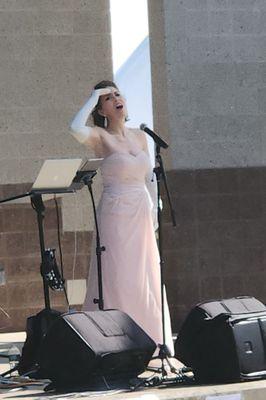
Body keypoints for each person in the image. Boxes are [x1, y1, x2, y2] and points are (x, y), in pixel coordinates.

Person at [70, 80, 174, 355]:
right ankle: (118, 344)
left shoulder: (140, 136)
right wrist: (93, 96)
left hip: (141, 210)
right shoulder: (100, 137)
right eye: (108, 98)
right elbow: (74, 128)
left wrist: (153, 211)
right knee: (121, 274)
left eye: (117, 94)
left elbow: (149, 177)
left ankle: (152, 341)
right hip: (115, 213)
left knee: (146, 275)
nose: (116, 98)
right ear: (101, 109)